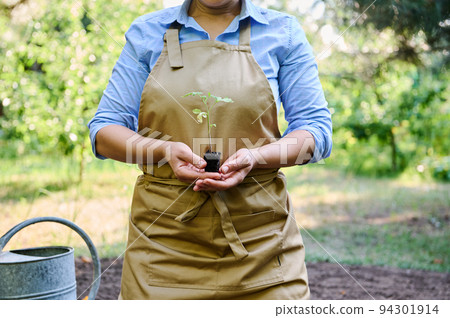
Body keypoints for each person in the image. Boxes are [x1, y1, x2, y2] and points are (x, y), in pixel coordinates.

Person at [88, 0, 332, 300]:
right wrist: (163, 150)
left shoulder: (283, 32)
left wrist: (254, 157)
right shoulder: (147, 32)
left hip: (262, 248)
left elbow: (316, 130)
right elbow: (104, 131)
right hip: (163, 245)